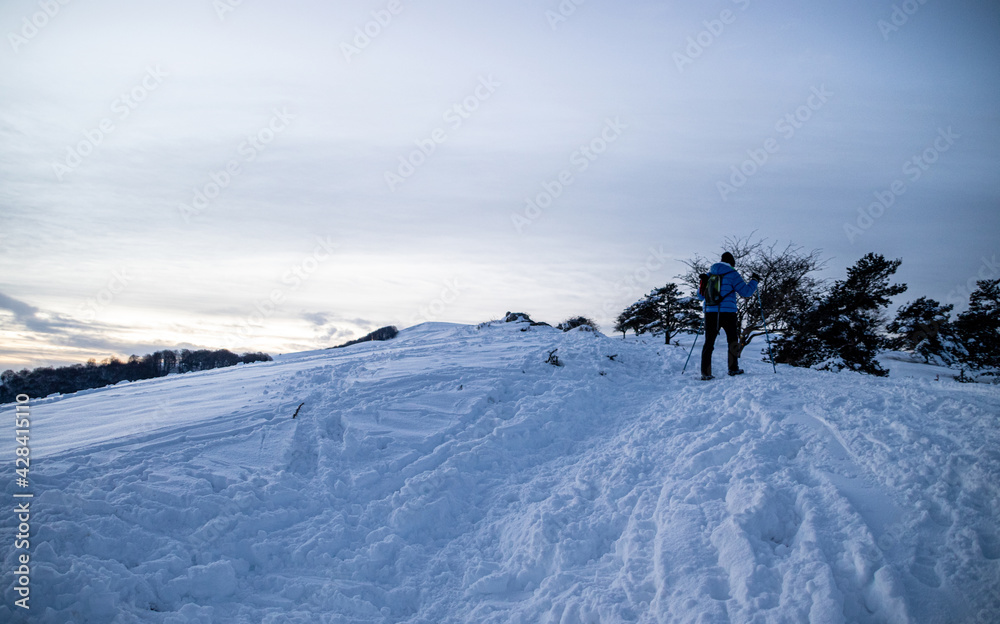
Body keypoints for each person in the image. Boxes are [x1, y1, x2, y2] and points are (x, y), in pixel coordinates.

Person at [698, 252, 759, 380]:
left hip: (710, 313)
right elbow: (746, 292)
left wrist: (702, 283)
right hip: (728, 313)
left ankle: (706, 372)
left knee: (709, 342)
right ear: (732, 263)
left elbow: (700, 296)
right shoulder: (732, 274)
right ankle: (733, 368)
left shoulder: (709, 275)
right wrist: (754, 281)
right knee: (732, 340)